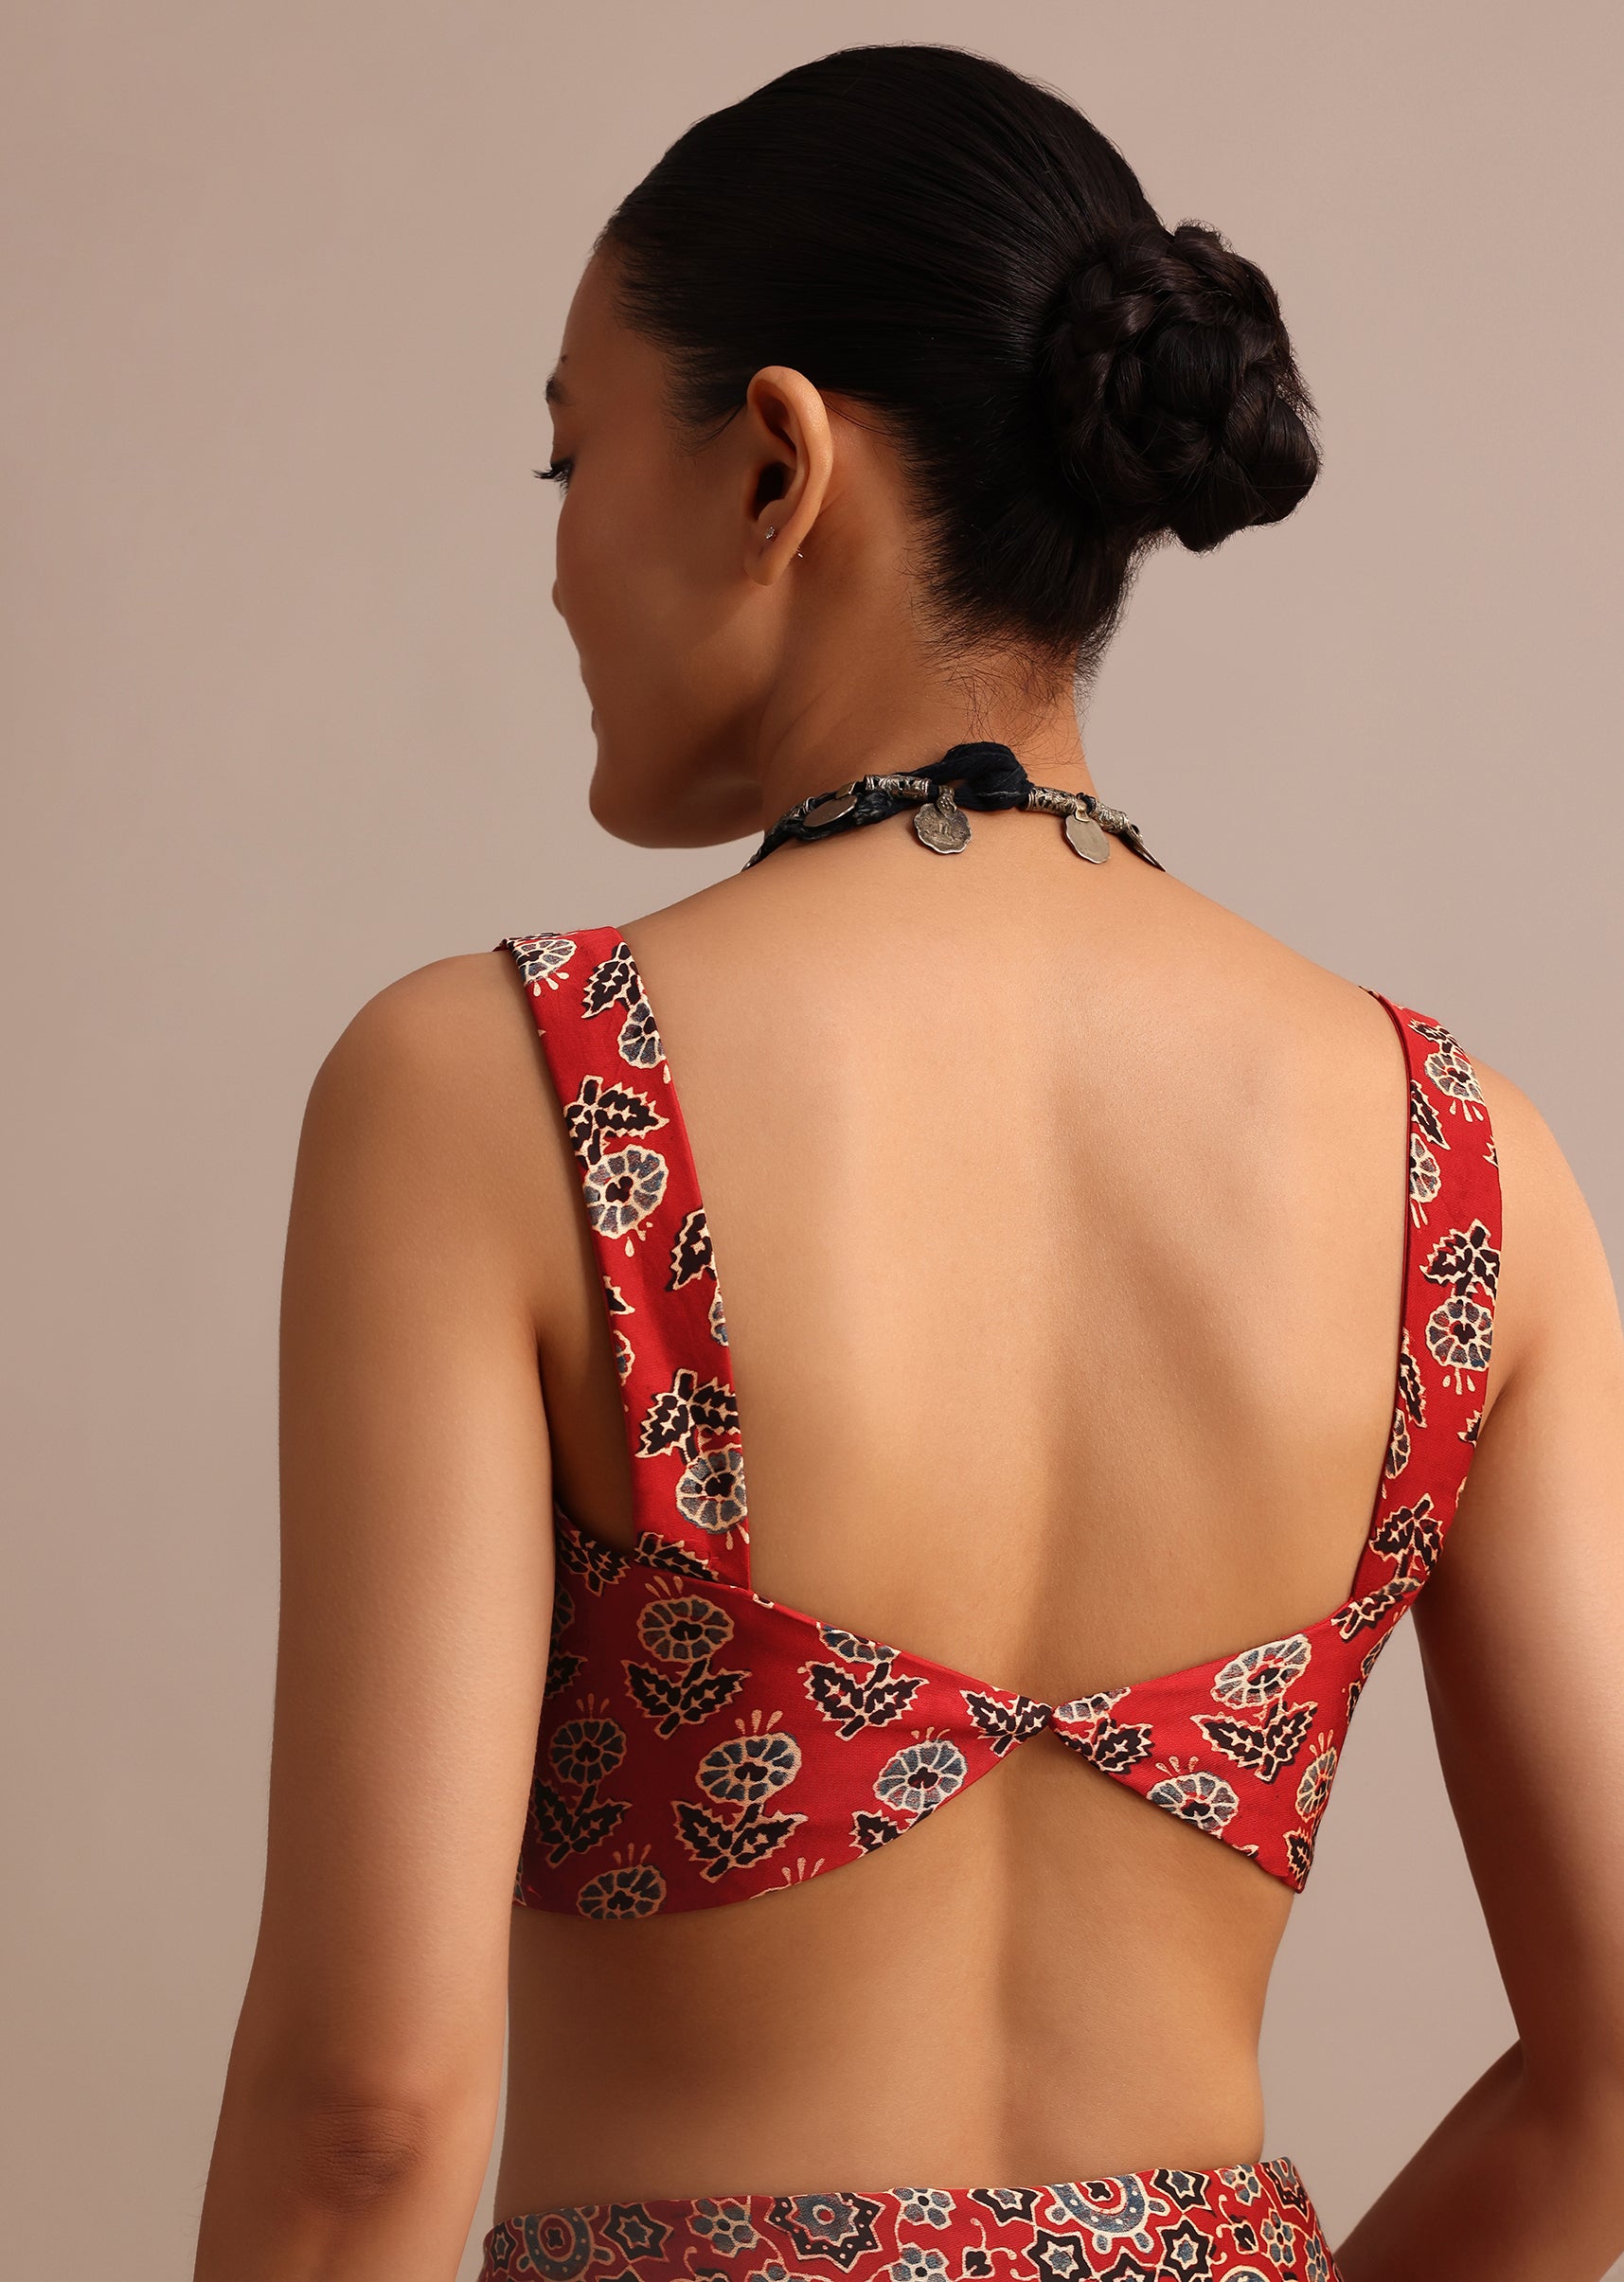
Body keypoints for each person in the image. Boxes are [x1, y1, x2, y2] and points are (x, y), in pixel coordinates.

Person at [191, 43, 1624, 2282]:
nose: (555, 560)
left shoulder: (498, 1094)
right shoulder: (1468, 1166)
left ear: (778, 462)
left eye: (572, 454)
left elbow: (364, 2116)